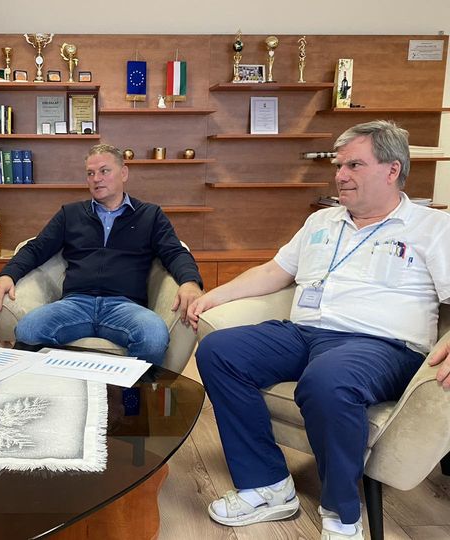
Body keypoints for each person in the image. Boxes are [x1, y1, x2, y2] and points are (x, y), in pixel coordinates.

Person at [188, 120, 450, 540]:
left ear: (392, 170)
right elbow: (275, 272)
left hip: (381, 345)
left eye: (353, 165)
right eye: (338, 165)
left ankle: (342, 514)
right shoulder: (322, 222)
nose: (340, 175)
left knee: (327, 380)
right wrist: (214, 296)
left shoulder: (433, 228)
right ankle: (269, 485)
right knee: (219, 350)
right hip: (305, 334)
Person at [0, 143, 203, 364]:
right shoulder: (70, 214)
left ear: (124, 173)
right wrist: (7, 275)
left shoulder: (150, 215)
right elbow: (36, 248)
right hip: (75, 304)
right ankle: (57, 385)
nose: (96, 178)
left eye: (104, 171)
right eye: (90, 173)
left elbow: (175, 252)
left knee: (153, 337)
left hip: (125, 306)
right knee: (28, 331)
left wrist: (190, 282)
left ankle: (131, 389)